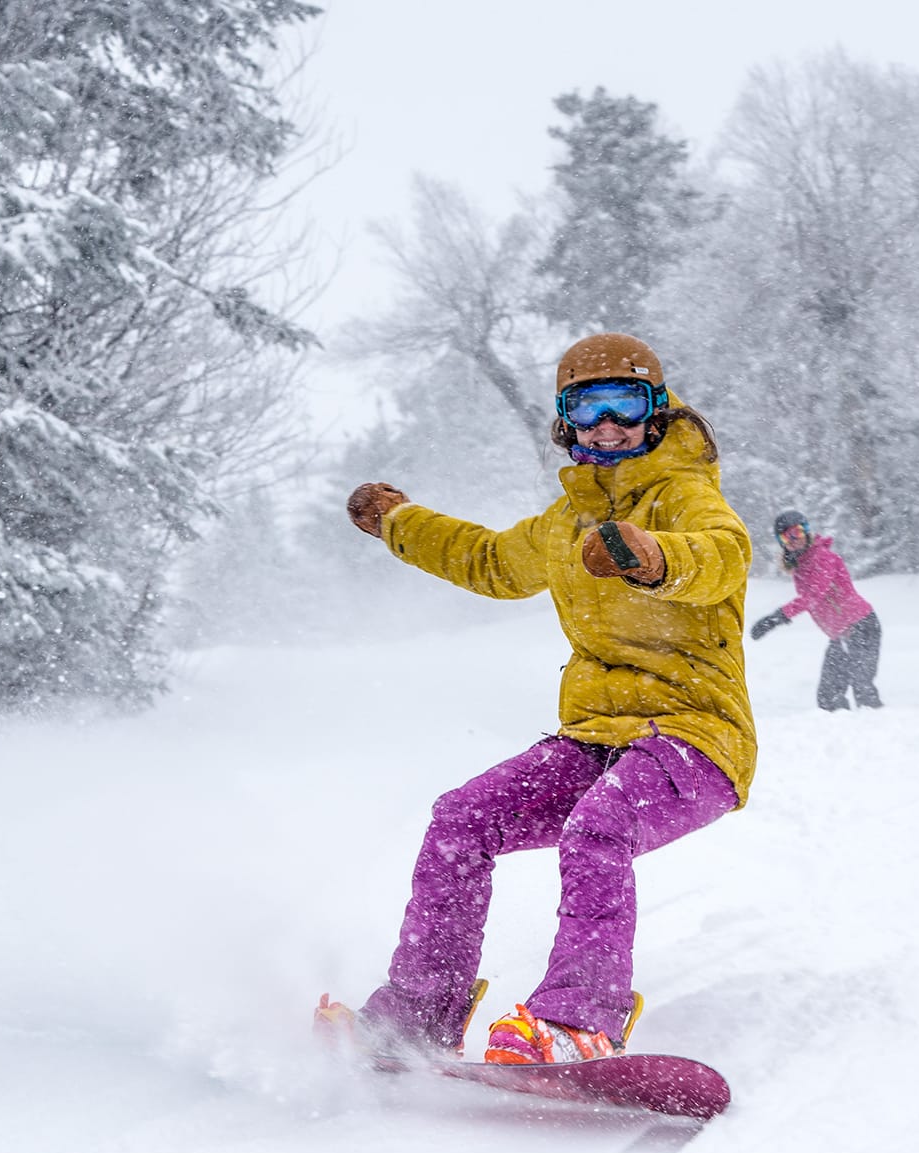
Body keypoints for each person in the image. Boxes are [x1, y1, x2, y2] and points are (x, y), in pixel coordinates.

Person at [322, 334, 754, 1067]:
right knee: (462, 820)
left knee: (599, 827)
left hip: (697, 738)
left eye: (627, 403)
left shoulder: (685, 494)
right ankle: (421, 1012)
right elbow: (490, 561)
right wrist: (397, 522)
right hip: (595, 735)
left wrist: (653, 556)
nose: (608, 424)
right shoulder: (564, 524)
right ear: (565, 422)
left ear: (657, 413)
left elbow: (722, 554)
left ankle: (581, 1018)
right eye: (588, 407)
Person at [749, 511, 883, 710]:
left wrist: (777, 617)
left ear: (807, 532)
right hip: (841, 634)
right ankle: (839, 737)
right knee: (829, 698)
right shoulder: (801, 565)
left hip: (861, 626)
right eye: (787, 536)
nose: (794, 539)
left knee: (862, 690)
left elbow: (813, 597)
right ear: (781, 541)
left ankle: (884, 732)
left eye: (798, 532)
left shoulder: (823, 557)